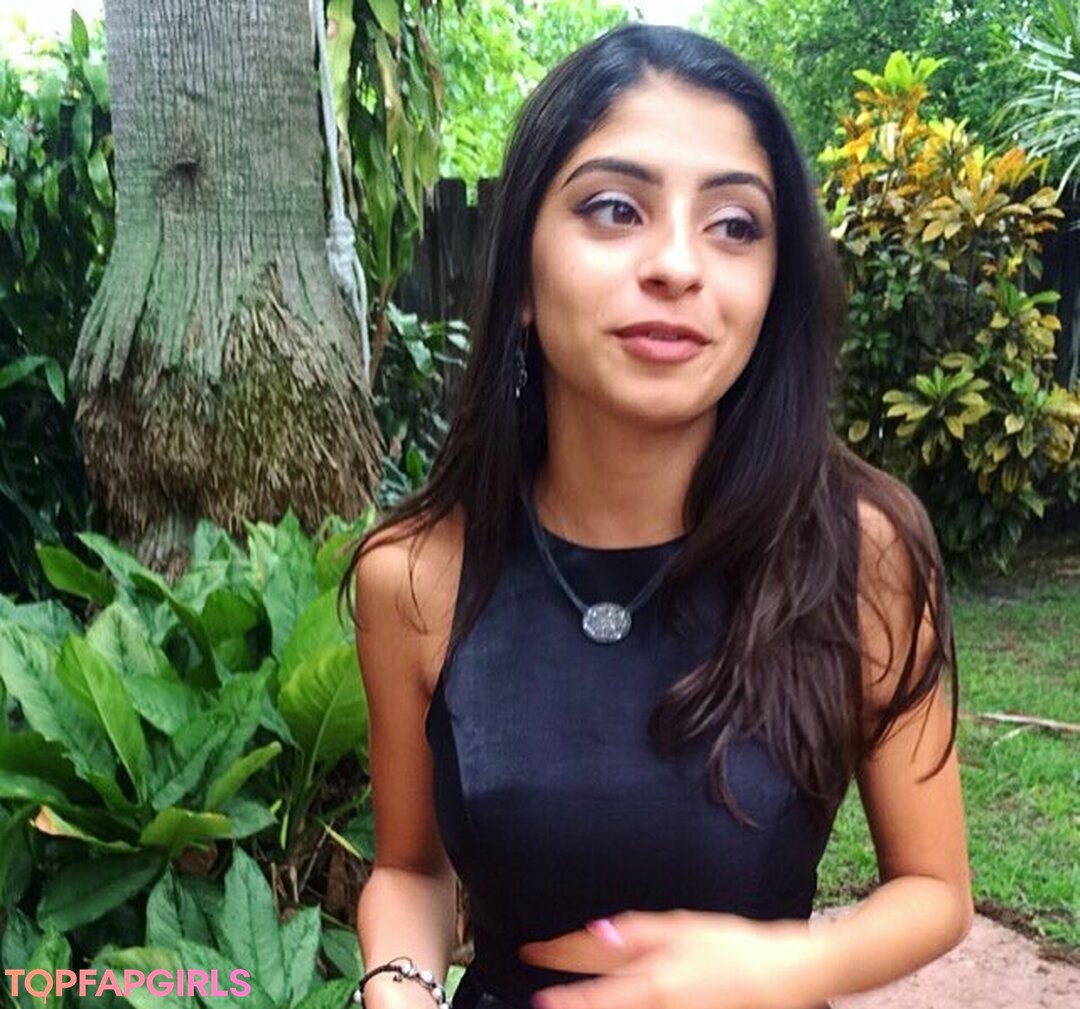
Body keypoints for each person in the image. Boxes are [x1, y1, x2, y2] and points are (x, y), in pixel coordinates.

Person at [344, 22, 973, 1009]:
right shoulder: (416, 574)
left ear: (773, 288)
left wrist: (785, 966)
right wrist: (396, 983)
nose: (679, 263)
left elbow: (936, 887)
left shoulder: (858, 551)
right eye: (614, 209)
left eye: (734, 225)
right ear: (521, 278)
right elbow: (409, 869)